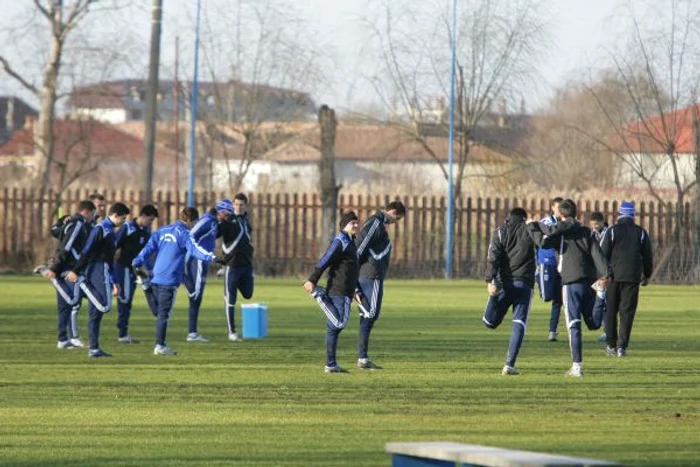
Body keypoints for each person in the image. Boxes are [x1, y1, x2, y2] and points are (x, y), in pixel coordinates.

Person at [132, 207, 224, 356]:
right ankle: (160, 346)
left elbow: (149, 247)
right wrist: (212, 257)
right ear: (190, 220)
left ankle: (145, 285)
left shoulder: (163, 230)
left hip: (156, 275)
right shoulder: (184, 233)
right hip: (170, 278)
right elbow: (195, 249)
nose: (194, 226)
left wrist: (137, 260)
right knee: (163, 314)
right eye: (194, 223)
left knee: (158, 311)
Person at [536, 199, 608, 377]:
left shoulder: (561, 234)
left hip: (570, 283)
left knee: (573, 325)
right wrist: (605, 274)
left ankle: (577, 367)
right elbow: (597, 254)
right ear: (576, 213)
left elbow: (543, 242)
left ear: (560, 215)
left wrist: (534, 225)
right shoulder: (588, 232)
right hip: (589, 282)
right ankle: (601, 296)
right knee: (593, 323)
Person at [482, 207, 543, 375]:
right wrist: (534, 225)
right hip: (525, 283)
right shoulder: (529, 230)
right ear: (525, 218)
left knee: (490, 322)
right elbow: (542, 243)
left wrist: (490, 280)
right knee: (519, 323)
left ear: (509, 217)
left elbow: (492, 257)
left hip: (504, 283)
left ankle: (492, 298)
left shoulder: (500, 231)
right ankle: (509, 364)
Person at [65, 202, 131, 358]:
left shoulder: (111, 231)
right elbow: (86, 251)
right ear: (115, 215)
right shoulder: (100, 229)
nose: (124, 221)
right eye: (123, 218)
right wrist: (76, 270)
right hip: (96, 269)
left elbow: (111, 260)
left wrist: (114, 281)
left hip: (105, 270)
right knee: (104, 306)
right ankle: (82, 283)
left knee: (96, 313)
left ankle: (94, 349)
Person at [302, 211, 360, 373]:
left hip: (346, 291)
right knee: (339, 323)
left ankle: (331, 364)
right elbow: (324, 260)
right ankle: (318, 295)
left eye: (356, 222)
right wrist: (312, 280)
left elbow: (351, 270)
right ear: (344, 225)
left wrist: (355, 289)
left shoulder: (351, 242)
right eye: (352, 223)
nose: (355, 225)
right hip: (338, 290)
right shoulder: (340, 241)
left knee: (333, 329)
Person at [354, 200, 406, 370]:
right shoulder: (375, 223)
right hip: (371, 276)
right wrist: (353, 280)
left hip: (370, 275)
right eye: (396, 218)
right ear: (391, 211)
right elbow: (359, 248)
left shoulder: (379, 224)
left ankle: (363, 358)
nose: (395, 223)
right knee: (371, 313)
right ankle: (362, 358)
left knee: (367, 315)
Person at [38, 200, 96, 349]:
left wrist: (61, 222)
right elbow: (66, 246)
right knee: (72, 300)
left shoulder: (76, 223)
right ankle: (49, 274)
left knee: (65, 306)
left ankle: (62, 340)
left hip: (69, 267)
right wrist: (55, 268)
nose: (93, 217)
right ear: (86, 212)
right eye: (93, 214)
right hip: (66, 269)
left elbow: (57, 233)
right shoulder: (77, 224)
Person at [600, 201, 653, 357]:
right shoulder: (641, 233)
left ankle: (610, 345)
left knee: (610, 311)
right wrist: (647, 275)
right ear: (633, 215)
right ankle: (622, 347)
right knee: (627, 312)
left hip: (613, 278)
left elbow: (602, 254)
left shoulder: (612, 231)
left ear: (619, 214)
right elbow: (648, 257)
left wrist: (605, 273)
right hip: (632, 278)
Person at [183, 199, 234, 342]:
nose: (228, 216)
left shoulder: (214, 222)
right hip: (199, 260)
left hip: (203, 261)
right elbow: (191, 235)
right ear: (222, 211)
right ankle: (192, 333)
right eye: (227, 213)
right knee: (196, 295)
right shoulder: (207, 220)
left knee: (197, 296)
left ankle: (192, 332)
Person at [113, 204, 159, 343]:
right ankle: (122, 334)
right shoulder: (128, 228)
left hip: (135, 269)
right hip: (123, 267)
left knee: (128, 301)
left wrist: (147, 268)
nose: (150, 223)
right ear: (143, 216)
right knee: (124, 299)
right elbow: (114, 244)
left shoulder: (146, 230)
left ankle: (124, 334)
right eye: (150, 220)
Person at [217, 193, 254, 342]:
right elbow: (217, 234)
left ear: (246, 206)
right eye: (236, 204)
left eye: (241, 205)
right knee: (230, 299)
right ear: (233, 205)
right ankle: (232, 332)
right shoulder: (227, 220)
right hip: (232, 265)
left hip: (246, 265)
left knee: (248, 294)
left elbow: (247, 240)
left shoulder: (246, 221)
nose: (238, 207)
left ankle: (231, 281)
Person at [536, 197, 564, 342]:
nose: (560, 210)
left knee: (559, 299)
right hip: (547, 263)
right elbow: (537, 241)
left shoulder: (566, 224)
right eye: (558, 207)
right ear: (552, 207)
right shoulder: (545, 223)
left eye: (562, 207)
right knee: (548, 296)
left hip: (563, 265)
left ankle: (552, 331)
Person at [589, 211, 609, 342]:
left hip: (606, 272)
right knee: (597, 302)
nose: (595, 227)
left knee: (606, 302)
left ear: (602, 222)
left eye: (597, 224)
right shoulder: (590, 234)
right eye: (593, 224)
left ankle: (608, 331)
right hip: (594, 272)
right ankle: (603, 327)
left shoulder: (609, 233)